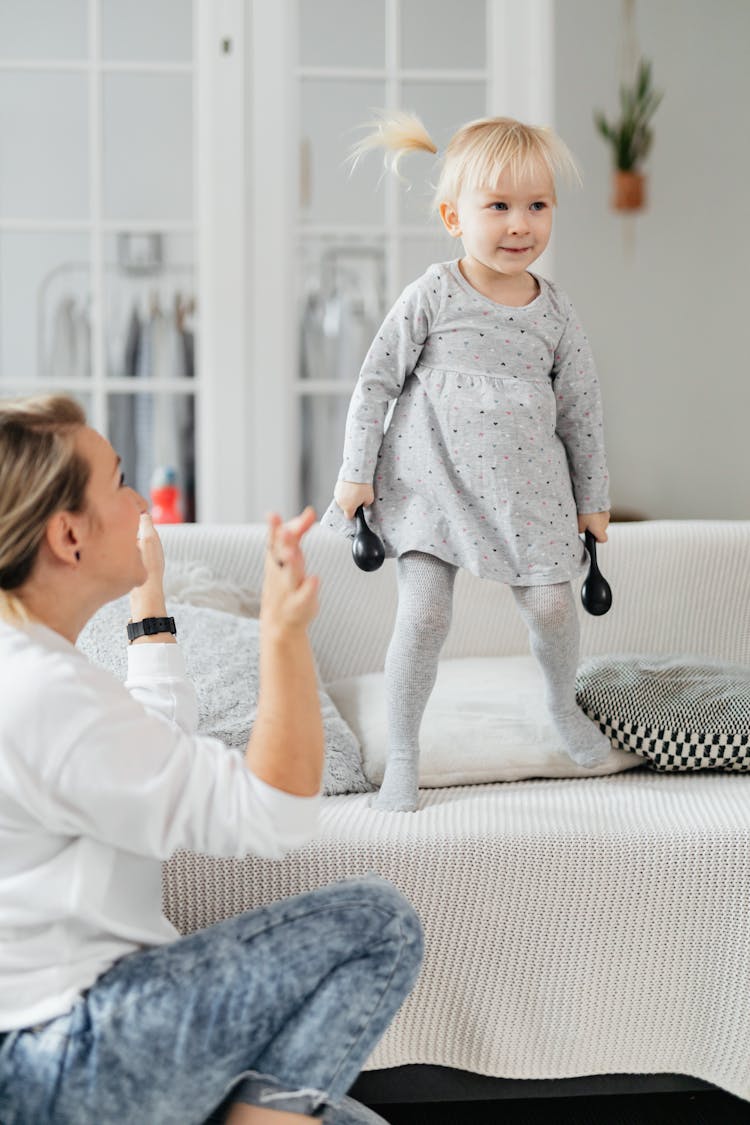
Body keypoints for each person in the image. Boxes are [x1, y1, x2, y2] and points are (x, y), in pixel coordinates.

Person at [0, 395, 423, 1124]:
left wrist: (149, 595)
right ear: (69, 533)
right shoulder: (47, 692)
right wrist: (282, 634)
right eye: (120, 480)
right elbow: (276, 812)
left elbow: (153, 743)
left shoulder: (36, 672)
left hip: (50, 1055)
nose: (141, 501)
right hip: (73, 1053)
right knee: (379, 923)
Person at [323, 112, 611, 812]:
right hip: (432, 487)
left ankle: (559, 701)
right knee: (422, 617)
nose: (521, 224)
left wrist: (591, 498)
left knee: (551, 606)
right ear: (455, 216)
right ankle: (405, 753)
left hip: (526, 493)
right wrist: (356, 470)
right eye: (500, 206)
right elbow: (377, 382)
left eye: (537, 205)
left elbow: (581, 412)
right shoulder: (433, 294)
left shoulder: (556, 315)